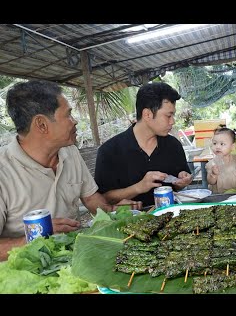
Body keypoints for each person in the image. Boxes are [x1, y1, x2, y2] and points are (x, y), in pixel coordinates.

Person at [0, 80, 138, 261]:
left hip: (75, 257)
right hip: (27, 272)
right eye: (69, 115)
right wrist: (36, 237)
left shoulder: (69, 152)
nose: (75, 121)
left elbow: (91, 199)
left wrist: (113, 211)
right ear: (41, 124)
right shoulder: (4, 170)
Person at [95, 82, 192, 207]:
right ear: (147, 114)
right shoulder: (110, 151)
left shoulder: (173, 146)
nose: (172, 121)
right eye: (168, 115)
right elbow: (103, 198)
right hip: (129, 223)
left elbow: (178, 185)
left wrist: (181, 182)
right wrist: (139, 187)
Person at [205, 126, 236, 193]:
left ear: (232, 146)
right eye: (214, 143)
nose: (217, 147)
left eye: (222, 144)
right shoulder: (212, 163)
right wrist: (214, 174)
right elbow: (210, 182)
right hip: (220, 196)